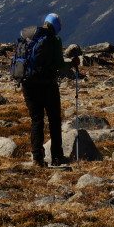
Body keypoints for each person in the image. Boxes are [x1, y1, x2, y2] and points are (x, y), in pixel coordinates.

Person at [18, 12, 79, 167]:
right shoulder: (54, 40)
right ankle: (57, 156)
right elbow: (59, 64)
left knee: (36, 120)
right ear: (57, 26)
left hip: (27, 83)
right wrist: (72, 63)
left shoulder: (28, 36)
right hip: (47, 85)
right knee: (54, 119)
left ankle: (37, 158)